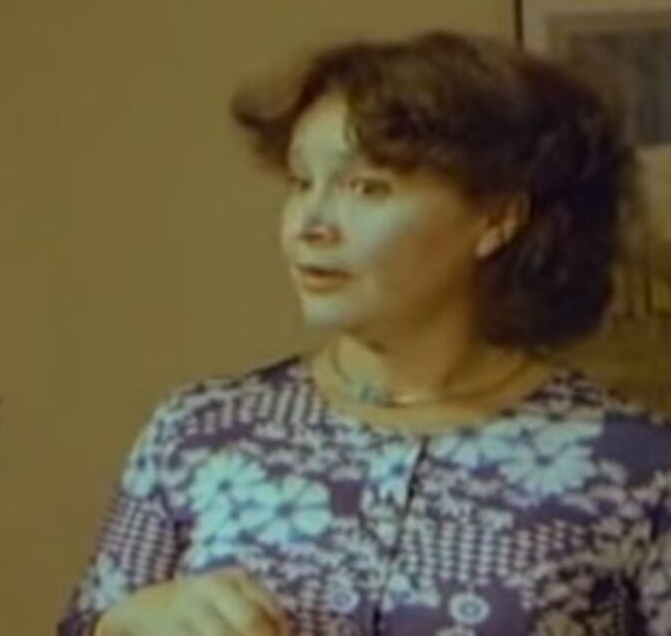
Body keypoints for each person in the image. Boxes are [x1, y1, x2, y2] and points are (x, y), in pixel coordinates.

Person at [58, 31, 671, 635]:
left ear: (497, 219)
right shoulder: (199, 432)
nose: (310, 224)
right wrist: (124, 625)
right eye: (301, 183)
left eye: (367, 188)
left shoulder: (636, 465)